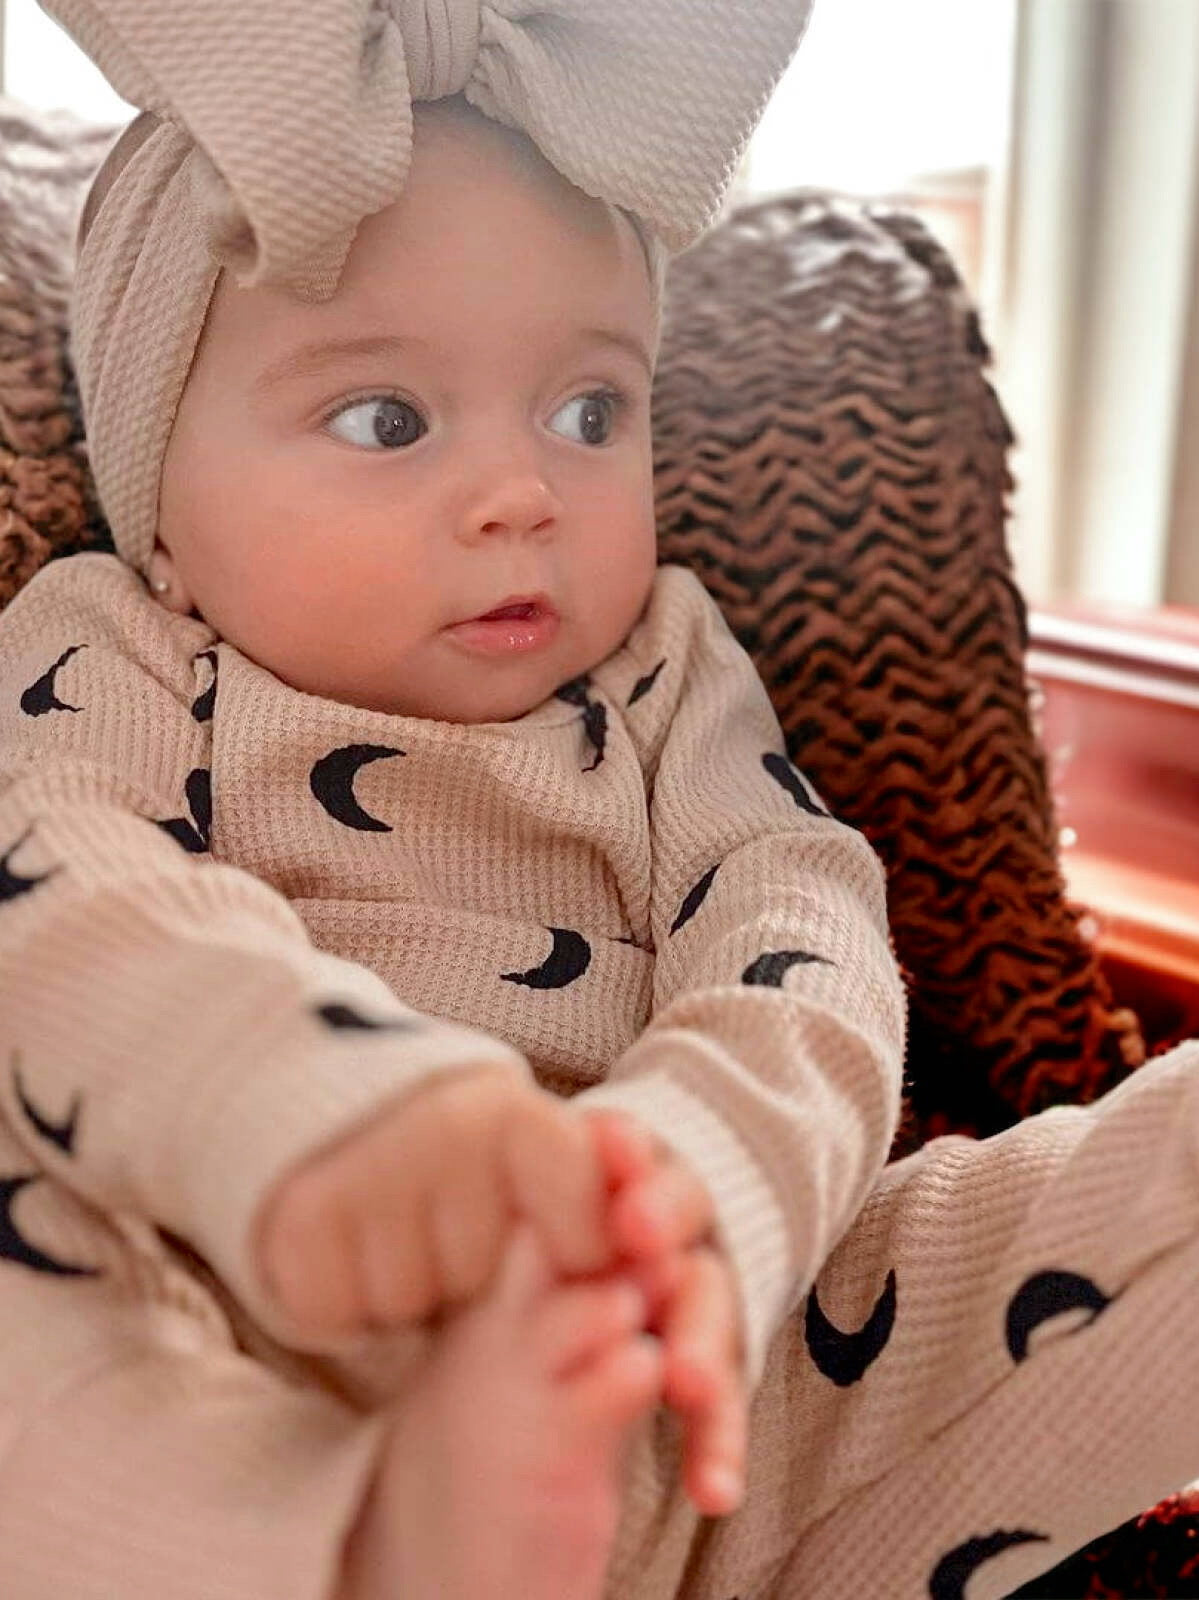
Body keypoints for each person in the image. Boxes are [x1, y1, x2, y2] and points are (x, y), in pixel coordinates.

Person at [5, 7, 1199, 1600]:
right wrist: (322, 1121)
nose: (524, 496)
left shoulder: (662, 670)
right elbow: (59, 897)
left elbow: (800, 931)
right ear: (159, 491)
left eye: (591, 412)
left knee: (1091, 1201)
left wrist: (697, 1195)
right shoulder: (112, 643)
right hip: (238, 1325)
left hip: (701, 1385)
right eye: (385, 420)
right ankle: (375, 1547)